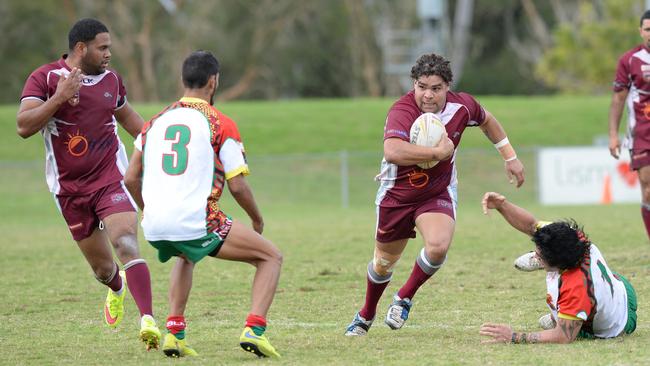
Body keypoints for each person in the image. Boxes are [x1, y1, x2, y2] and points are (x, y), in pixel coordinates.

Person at [344, 53, 525, 336]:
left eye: (436, 88)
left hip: (436, 192)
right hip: (397, 195)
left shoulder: (462, 106)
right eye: (421, 86)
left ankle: (403, 297)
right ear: (414, 85)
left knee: (438, 247)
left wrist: (509, 156)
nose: (427, 95)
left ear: (448, 87)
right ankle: (366, 314)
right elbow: (392, 151)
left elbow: (488, 120)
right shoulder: (402, 110)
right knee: (382, 265)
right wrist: (437, 153)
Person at [124, 50, 283, 358]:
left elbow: (131, 178)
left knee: (186, 254)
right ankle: (255, 329)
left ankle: (174, 333)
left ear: (183, 81)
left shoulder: (154, 122)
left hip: (154, 224)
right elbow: (237, 184)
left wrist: (149, 211)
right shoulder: (220, 123)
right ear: (213, 81)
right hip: (196, 220)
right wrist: (257, 219)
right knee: (271, 257)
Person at [16, 18, 160, 349]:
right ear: (81, 48)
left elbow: (133, 123)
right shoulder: (46, 78)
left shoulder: (112, 81)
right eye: (103, 47)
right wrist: (59, 98)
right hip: (68, 190)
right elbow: (23, 126)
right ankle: (116, 288)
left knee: (126, 243)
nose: (109, 53)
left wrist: (165, 150)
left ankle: (148, 320)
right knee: (102, 268)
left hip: (110, 178)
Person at [479, 192, 637, 344]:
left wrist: (513, 336)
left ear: (559, 265)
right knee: (579, 290)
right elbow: (531, 225)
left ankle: (561, 316)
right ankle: (562, 312)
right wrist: (502, 205)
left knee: (566, 311)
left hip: (618, 322)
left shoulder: (575, 287)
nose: (536, 254)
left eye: (540, 256)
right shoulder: (573, 236)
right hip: (621, 286)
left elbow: (563, 336)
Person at [609, 9, 650, 241]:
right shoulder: (630, 60)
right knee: (648, 189)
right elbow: (618, 99)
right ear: (641, 31)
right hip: (643, 133)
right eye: (648, 29)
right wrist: (613, 134)